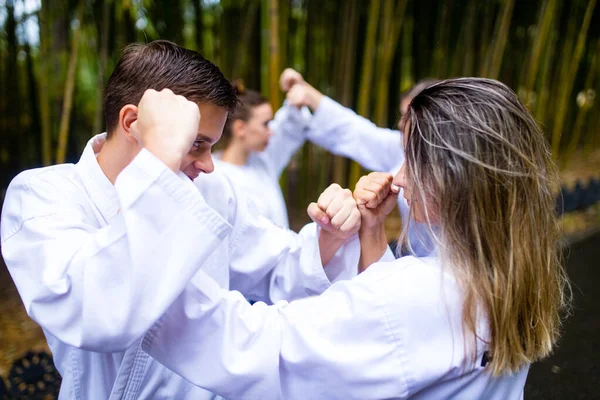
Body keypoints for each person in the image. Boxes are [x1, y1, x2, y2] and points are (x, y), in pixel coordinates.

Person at [142, 78, 570, 399]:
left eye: (411, 162)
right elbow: (409, 341)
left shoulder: (418, 294)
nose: (399, 178)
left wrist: (140, 275)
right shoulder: (511, 273)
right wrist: (370, 233)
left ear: (453, 179)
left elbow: (262, 347)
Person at [0, 40, 363, 399]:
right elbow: (97, 310)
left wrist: (329, 237)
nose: (208, 164)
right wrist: (158, 159)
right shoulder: (41, 196)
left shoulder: (211, 189)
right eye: (195, 144)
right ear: (132, 123)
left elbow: (276, 267)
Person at [281, 68, 440, 255]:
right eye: (403, 115)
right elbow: (355, 131)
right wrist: (306, 90)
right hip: (413, 255)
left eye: (410, 116)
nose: (401, 123)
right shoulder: (399, 146)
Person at [215, 81, 310, 228]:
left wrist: (295, 100)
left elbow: (290, 125)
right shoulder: (213, 174)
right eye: (265, 124)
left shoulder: (263, 161)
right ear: (240, 128)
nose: (271, 131)